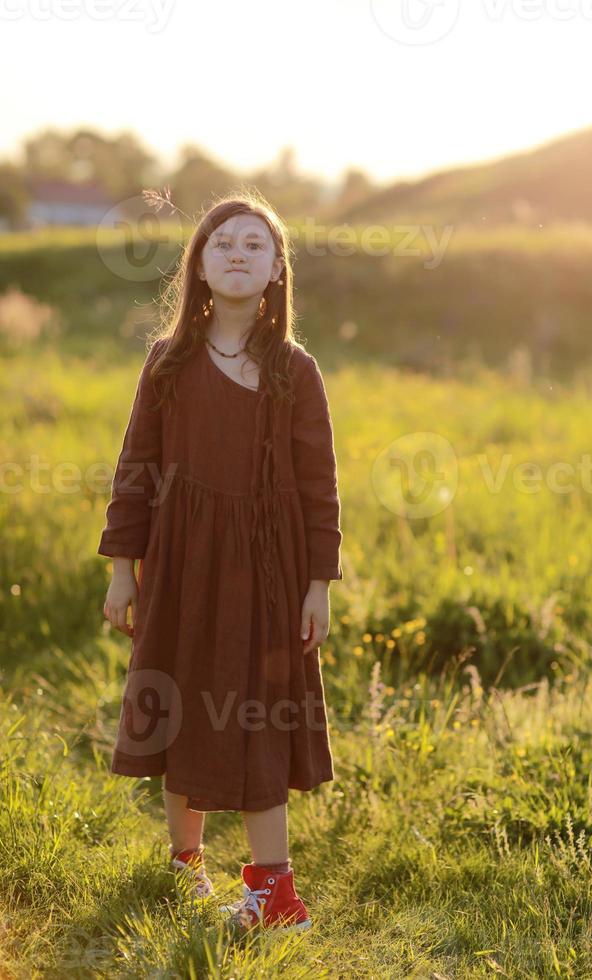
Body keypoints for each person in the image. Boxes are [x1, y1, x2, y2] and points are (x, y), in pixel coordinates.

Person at [98, 190, 343, 933]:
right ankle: (185, 866)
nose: (238, 252)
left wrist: (317, 586)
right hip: (179, 564)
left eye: (255, 244)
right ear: (198, 268)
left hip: (268, 572)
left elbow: (319, 485)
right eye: (221, 243)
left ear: (276, 272)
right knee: (174, 699)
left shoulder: (295, 371)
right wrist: (121, 568)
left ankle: (277, 895)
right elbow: (135, 466)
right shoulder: (167, 362)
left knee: (258, 717)